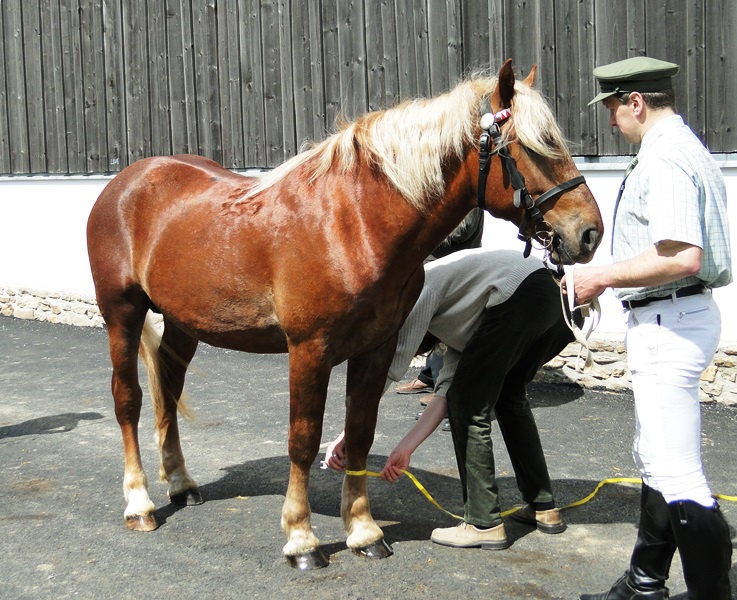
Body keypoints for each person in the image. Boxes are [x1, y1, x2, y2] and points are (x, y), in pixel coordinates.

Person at [566, 56, 732, 600]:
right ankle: (644, 584)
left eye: (613, 108)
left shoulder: (665, 157)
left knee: (678, 473)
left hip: (670, 321)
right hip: (671, 317)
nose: (611, 120)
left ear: (635, 102)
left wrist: (601, 276)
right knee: (657, 461)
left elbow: (683, 256)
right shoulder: (681, 147)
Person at [325, 248, 580, 550]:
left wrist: (348, 431)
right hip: (556, 308)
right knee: (508, 397)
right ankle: (543, 506)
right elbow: (446, 392)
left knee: (470, 406)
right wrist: (406, 448)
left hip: (519, 294)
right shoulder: (462, 315)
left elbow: (390, 366)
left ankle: (483, 523)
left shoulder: (420, 285)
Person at [396, 208, 484, 398]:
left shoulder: (470, 201)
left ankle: (443, 389)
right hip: (435, 267)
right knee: (430, 325)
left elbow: (462, 231)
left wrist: (421, 228)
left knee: (444, 328)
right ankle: (429, 377)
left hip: (452, 269)